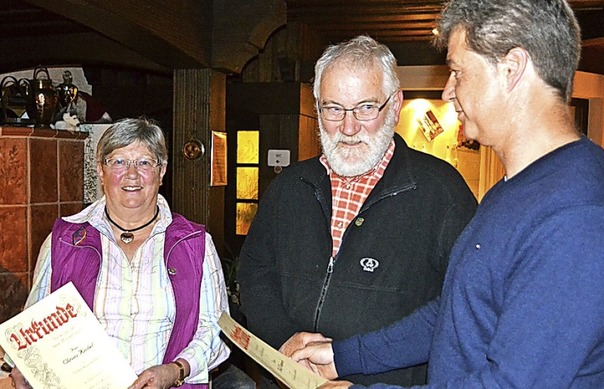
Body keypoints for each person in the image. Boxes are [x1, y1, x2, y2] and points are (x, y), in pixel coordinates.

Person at [286, 1, 604, 388]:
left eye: (457, 71)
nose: (448, 90)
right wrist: (344, 357)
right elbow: (460, 310)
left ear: (511, 69)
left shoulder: (580, 218)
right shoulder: (519, 187)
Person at [236, 35, 478, 388]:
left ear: (394, 106)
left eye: (366, 108)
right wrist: (285, 340)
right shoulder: (289, 187)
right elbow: (255, 271)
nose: (348, 128)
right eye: (333, 109)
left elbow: (463, 308)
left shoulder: (442, 193)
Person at [9, 118, 230, 389]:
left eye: (145, 162)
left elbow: (217, 331)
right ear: (100, 171)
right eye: (118, 162)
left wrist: (176, 370)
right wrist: (26, 363)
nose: (132, 174)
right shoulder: (64, 240)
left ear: (162, 172)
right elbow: (34, 325)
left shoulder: (195, 244)